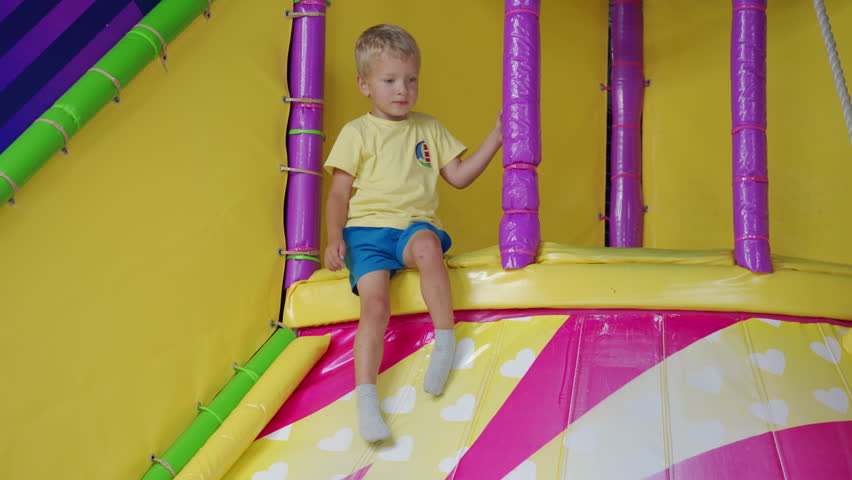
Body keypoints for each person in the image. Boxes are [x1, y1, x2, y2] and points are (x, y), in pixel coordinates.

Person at [323, 24, 502, 442]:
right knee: (375, 306)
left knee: (427, 245)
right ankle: (367, 398)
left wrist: (495, 138)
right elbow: (337, 195)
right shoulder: (357, 133)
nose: (402, 90)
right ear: (364, 84)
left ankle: (444, 340)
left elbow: (458, 176)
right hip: (366, 234)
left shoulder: (428, 128)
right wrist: (334, 237)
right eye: (389, 81)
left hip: (410, 230)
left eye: (411, 79)